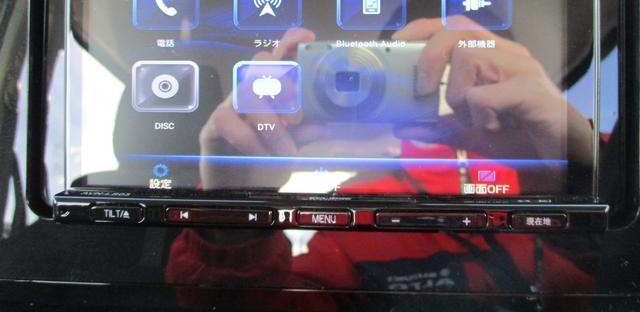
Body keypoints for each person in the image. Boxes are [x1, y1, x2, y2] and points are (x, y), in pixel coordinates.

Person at [165, 17, 597, 310]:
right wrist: (235, 214)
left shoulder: (562, 162)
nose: (447, 84)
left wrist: (582, 166)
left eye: (465, 65)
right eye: (417, 67)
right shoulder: (359, 202)